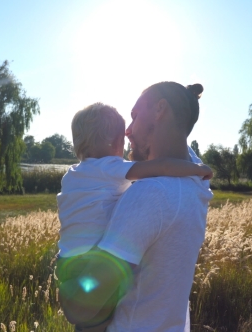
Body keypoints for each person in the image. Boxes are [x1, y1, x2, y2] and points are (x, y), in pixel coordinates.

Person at [59, 82, 213, 331]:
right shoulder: (195, 181)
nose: (127, 131)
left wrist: (66, 290)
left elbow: (79, 307)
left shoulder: (152, 194)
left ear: (160, 110)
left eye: (134, 116)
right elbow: (180, 149)